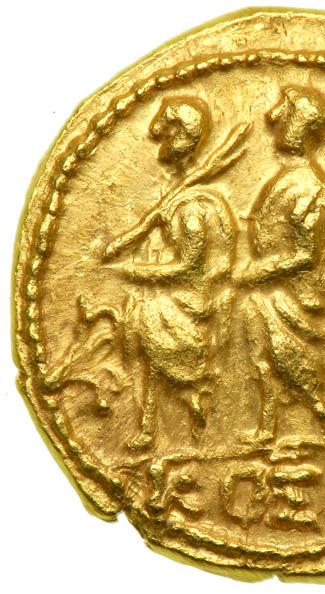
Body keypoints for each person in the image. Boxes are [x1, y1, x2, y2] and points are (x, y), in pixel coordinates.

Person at [103, 97, 238, 449]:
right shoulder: (179, 197)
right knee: (149, 340)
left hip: (190, 298)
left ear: (177, 138)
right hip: (175, 294)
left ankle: (191, 409)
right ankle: (154, 425)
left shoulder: (191, 207)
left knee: (150, 323)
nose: (156, 141)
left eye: (164, 135)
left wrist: (139, 272)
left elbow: (189, 266)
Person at [235, 87, 325, 442]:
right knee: (260, 359)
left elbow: (307, 255)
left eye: (283, 116)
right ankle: (270, 425)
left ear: (298, 125)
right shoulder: (290, 181)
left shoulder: (309, 188)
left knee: (278, 356)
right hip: (269, 293)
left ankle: (317, 409)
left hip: (290, 296)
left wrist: (257, 273)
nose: (272, 120)